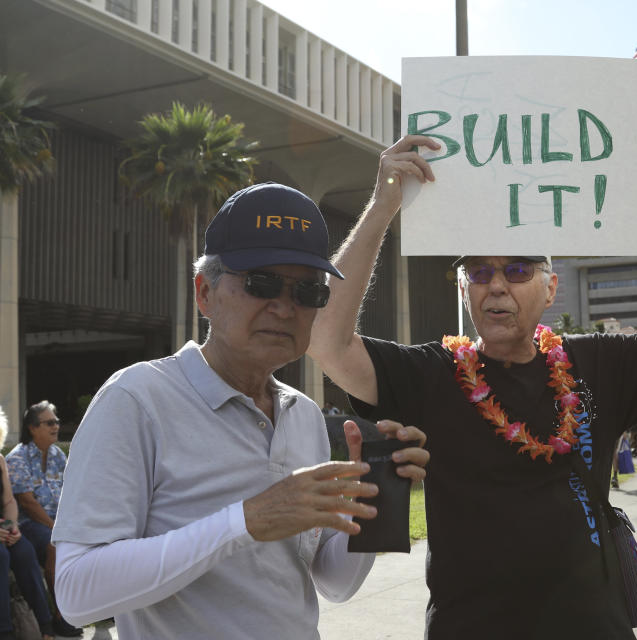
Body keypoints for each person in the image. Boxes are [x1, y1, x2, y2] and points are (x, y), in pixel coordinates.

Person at [308, 134, 637, 638]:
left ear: (550, 286)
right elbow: (326, 340)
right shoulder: (431, 372)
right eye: (479, 271)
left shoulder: (597, 361)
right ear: (465, 289)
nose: (496, 284)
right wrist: (382, 207)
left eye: (516, 269)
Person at [50, 183, 430, 638]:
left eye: (308, 292)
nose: (285, 307)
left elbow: (334, 583)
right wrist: (244, 521)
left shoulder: (304, 416)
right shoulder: (137, 399)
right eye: (261, 282)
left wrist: (381, 495)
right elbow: (76, 594)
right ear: (205, 293)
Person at [6, 401, 81, 637]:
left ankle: (96, 605)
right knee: (54, 543)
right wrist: (58, 527)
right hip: (30, 523)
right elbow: (27, 502)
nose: (55, 426)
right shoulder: (17, 458)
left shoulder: (58, 454)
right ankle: (61, 615)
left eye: (56, 421)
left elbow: (72, 491)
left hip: (57, 521)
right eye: (49, 423)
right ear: (32, 428)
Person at [0, 406, 55, 640]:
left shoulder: (0, 460)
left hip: (4, 525)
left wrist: (11, 524)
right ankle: (5, 630)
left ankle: (45, 624)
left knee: (24, 551)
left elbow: (9, 500)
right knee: (1, 555)